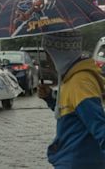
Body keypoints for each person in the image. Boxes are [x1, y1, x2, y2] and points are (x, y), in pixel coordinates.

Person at [38, 31, 105, 168]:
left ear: (59, 54)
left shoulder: (79, 82)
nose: (47, 60)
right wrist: (50, 98)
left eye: (49, 54)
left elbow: (99, 125)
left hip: (79, 162)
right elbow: (71, 113)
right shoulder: (70, 79)